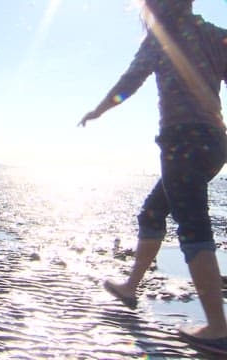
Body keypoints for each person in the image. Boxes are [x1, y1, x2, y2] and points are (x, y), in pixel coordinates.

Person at [79, 0, 227, 353]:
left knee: (192, 223)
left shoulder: (162, 37)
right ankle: (130, 286)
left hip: (182, 141)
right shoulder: (214, 34)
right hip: (215, 143)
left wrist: (98, 110)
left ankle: (218, 328)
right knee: (152, 212)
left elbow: (129, 82)